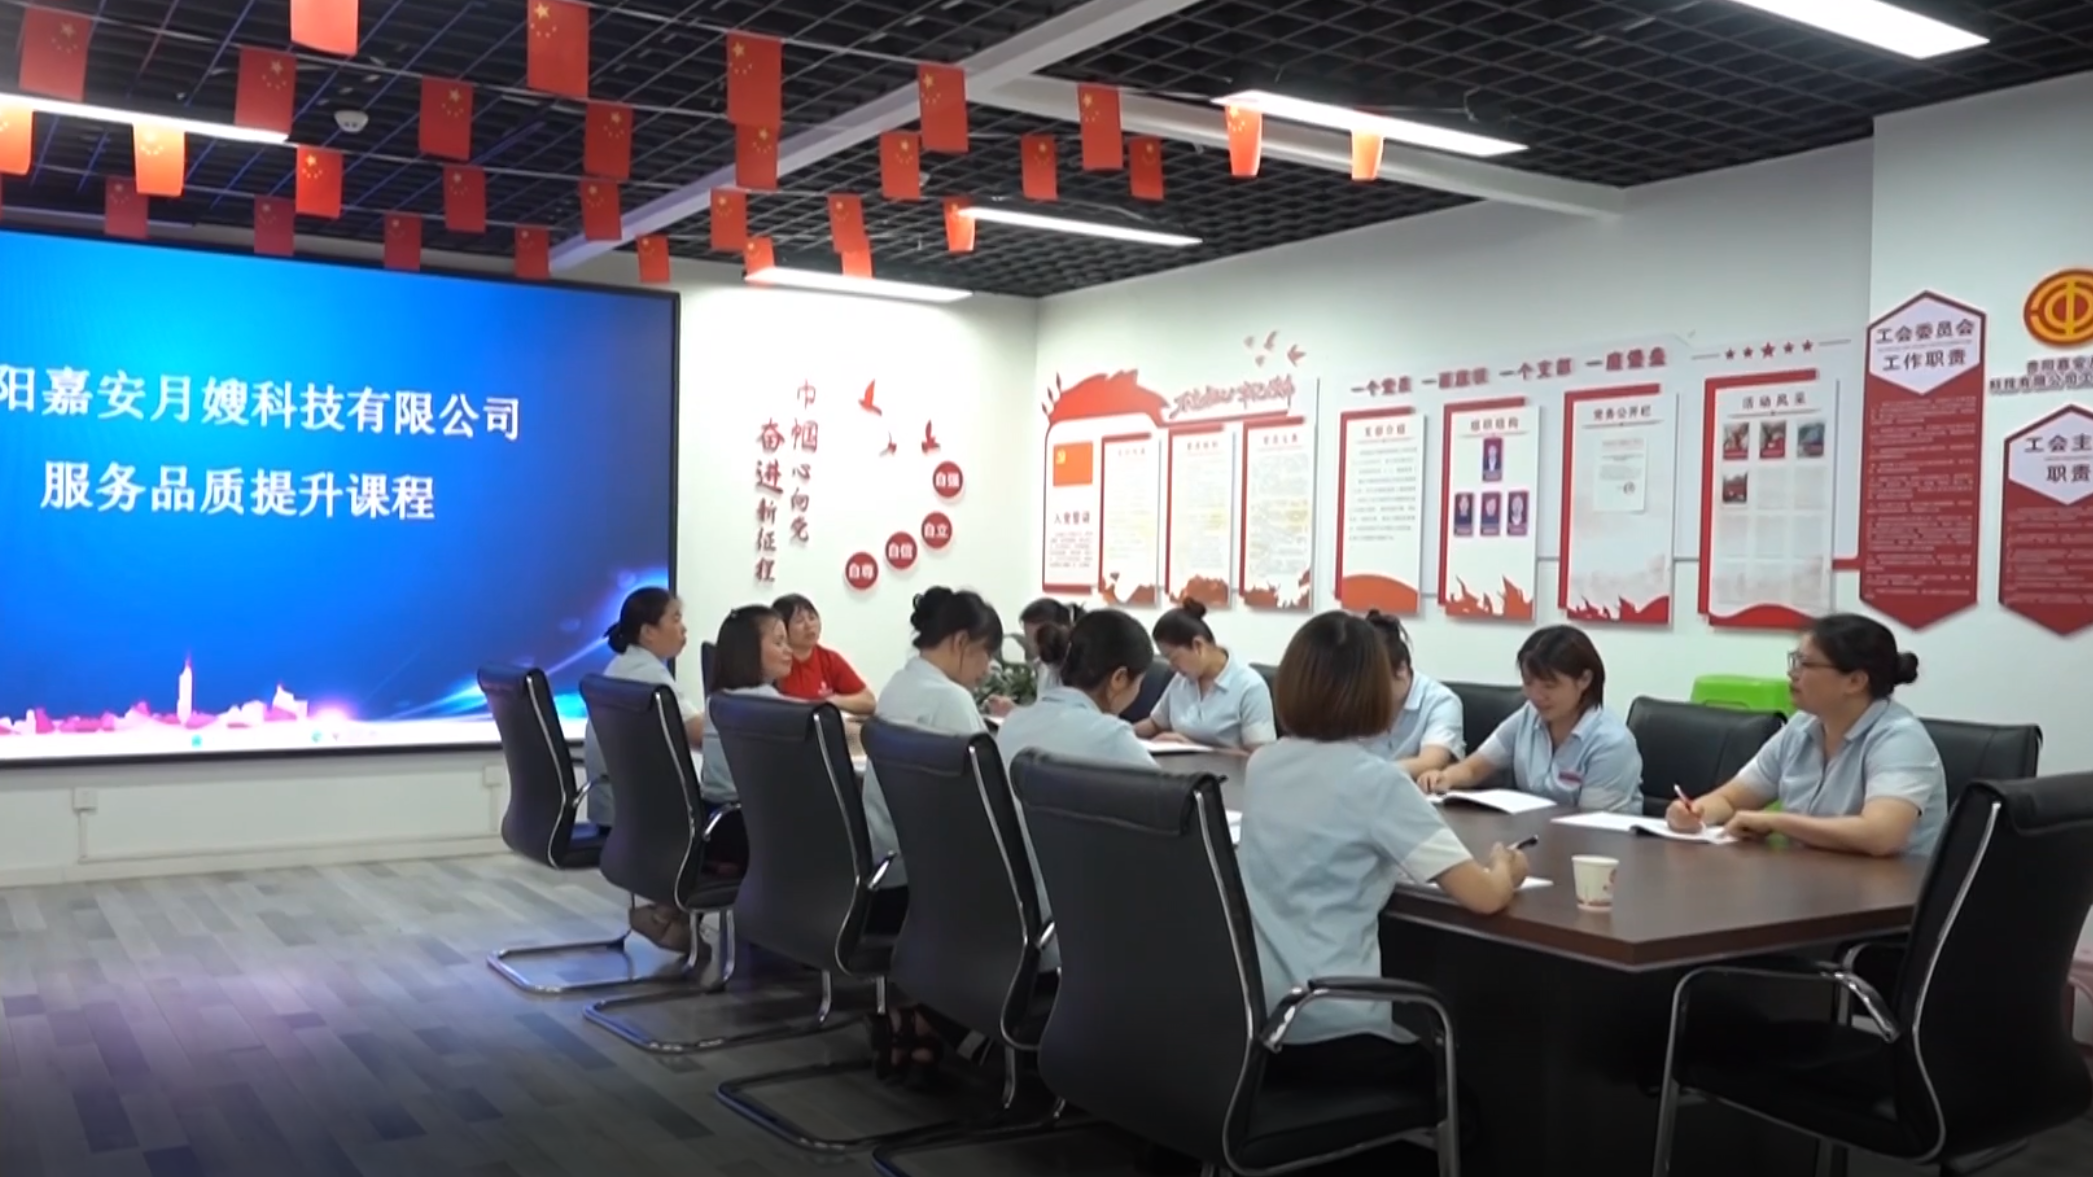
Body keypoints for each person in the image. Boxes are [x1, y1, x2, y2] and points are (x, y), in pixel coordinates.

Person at [1239, 611, 1525, 1094]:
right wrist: (1506, 868)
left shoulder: (1264, 764)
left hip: (1258, 1024)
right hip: (1334, 1031)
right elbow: (1483, 896)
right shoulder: (1375, 782)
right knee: (1475, 1094)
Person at [861, 587, 1003, 1085]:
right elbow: (989, 802)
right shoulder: (950, 701)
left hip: (887, 871)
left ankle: (922, 1024)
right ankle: (937, 1023)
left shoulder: (899, 685)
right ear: (961, 642)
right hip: (921, 886)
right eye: (986, 654)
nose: (987, 668)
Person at [1666, 614, 1946, 856]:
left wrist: (1777, 822)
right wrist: (1694, 813)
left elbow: (1882, 835)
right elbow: (1730, 800)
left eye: (1805, 664)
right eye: (1794, 661)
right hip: (1809, 879)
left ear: (1855, 681)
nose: (1792, 673)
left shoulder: (1900, 740)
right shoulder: (1801, 727)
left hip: (1890, 892)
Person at [996, 609, 1160, 973]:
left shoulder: (1015, 723)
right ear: (1119, 678)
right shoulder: (1109, 737)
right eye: (1139, 682)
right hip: (1070, 929)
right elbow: (1173, 818)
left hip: (1005, 919)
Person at [582, 587, 707, 952]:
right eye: (676, 619)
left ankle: (669, 916)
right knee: (731, 822)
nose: (684, 629)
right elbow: (697, 735)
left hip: (620, 804)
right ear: (648, 632)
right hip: (638, 813)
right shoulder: (647, 676)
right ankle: (669, 914)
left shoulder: (625, 666)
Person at [1417, 625, 1641, 813]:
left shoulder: (1611, 743)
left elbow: (1590, 823)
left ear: (1584, 679)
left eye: (1549, 686)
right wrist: (1444, 777)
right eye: (1528, 683)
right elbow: (1474, 769)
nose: (1536, 696)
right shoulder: (1528, 716)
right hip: (1535, 835)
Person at [1131, 599, 1275, 753]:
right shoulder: (1182, 680)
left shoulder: (1250, 686)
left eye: (1174, 658)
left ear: (1198, 646)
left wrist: (1194, 747)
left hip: (1226, 769)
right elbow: (1155, 724)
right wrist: (1122, 733)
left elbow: (1259, 755)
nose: (1172, 667)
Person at [1359, 611, 1465, 778]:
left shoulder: (1441, 701)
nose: (1365, 690)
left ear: (1401, 669)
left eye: (1374, 681)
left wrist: (1367, 773)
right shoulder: (1351, 697)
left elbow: (1431, 762)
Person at [771, 593, 876, 716]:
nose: (809, 626)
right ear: (782, 628)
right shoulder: (773, 660)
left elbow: (869, 702)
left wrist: (834, 701)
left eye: (812, 618)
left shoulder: (830, 660)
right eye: (799, 621)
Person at [988, 597, 1087, 717]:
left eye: (1037, 639)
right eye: (1028, 638)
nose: (1032, 647)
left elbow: (1060, 718)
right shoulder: (1046, 668)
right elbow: (1045, 715)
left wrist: (1016, 713)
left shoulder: (1077, 670)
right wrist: (1014, 710)